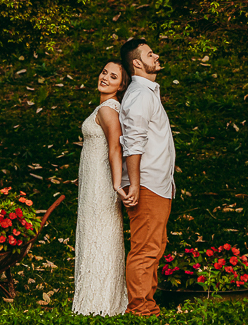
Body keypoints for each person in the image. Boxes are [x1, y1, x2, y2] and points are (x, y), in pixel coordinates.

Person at [119, 38, 176, 317]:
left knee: (155, 245)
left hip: (157, 184)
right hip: (147, 184)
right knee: (145, 248)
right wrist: (136, 184)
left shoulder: (147, 92)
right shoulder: (140, 95)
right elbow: (133, 142)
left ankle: (148, 303)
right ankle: (141, 309)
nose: (156, 56)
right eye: (149, 54)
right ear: (137, 63)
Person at [72, 60, 130, 315]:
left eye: (113, 76)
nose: (105, 77)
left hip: (102, 184)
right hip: (92, 180)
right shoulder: (104, 107)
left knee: (100, 234)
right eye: (104, 72)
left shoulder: (109, 109)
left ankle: (101, 302)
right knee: (95, 233)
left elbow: (116, 146)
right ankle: (97, 299)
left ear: (121, 85)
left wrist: (117, 184)